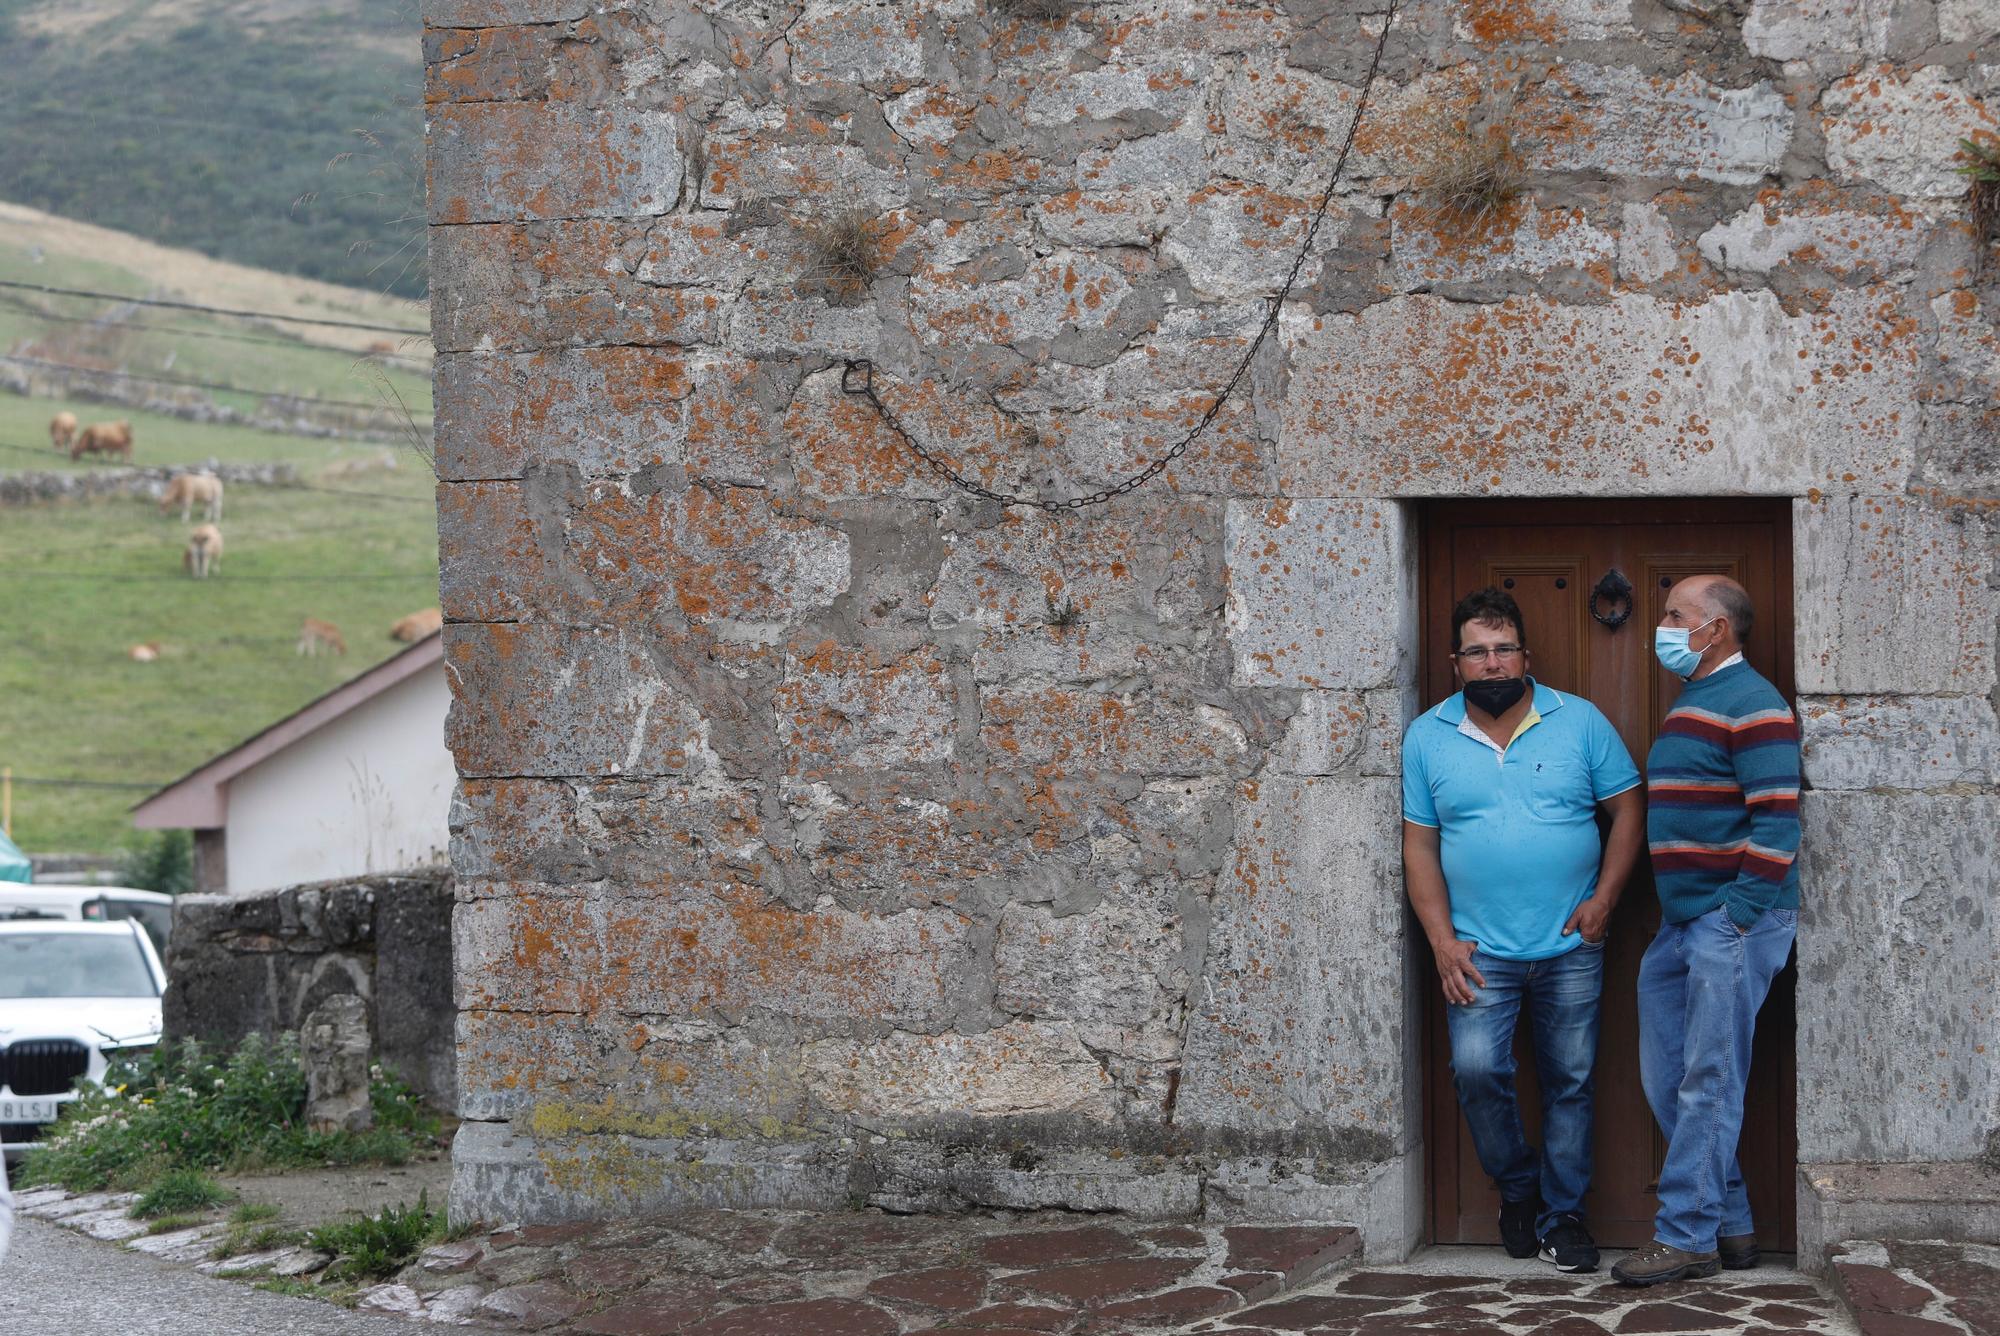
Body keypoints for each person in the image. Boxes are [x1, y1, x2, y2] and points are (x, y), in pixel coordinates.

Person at [1404, 586, 1644, 1274]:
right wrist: (1441, 939)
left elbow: (1629, 811)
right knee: (1478, 1071)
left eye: (1503, 648)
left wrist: (1605, 899)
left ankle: (1564, 1214)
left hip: (1572, 946)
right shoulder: (1428, 735)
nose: (1492, 663)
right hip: (1477, 951)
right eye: (1477, 652)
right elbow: (1419, 846)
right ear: (1457, 663)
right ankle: (1517, 1188)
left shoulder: (1581, 721)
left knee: (1571, 1080)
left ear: (1525, 654)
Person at [1612, 574, 1800, 1286]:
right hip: (1685, 922)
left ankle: (1685, 1237)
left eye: (1674, 615)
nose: (1662, 626)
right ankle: (1731, 1225)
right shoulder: (1698, 699)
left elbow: (1779, 821)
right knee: (1671, 1078)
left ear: (1715, 628)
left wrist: (1737, 915)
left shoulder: (1754, 704)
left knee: (1709, 1082)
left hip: (1731, 922)